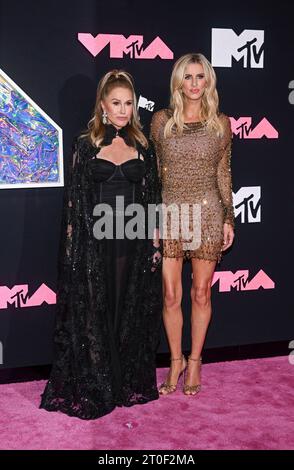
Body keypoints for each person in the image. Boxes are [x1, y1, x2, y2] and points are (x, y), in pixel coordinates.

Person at [40, 70, 163, 419]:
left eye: (128, 103)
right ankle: (98, 381)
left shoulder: (144, 146)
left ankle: (123, 379)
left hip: (134, 240)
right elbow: (74, 202)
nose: (123, 110)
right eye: (116, 103)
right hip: (96, 241)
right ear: (103, 106)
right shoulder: (85, 144)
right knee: (97, 307)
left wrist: (155, 240)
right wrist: (73, 248)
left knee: (128, 308)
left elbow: (153, 197)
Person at [150, 53, 235, 396]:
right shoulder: (161, 122)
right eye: (188, 77)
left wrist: (228, 217)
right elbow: (154, 176)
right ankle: (175, 360)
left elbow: (223, 173)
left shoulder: (221, 124)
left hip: (208, 212)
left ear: (208, 81)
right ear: (178, 82)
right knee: (171, 295)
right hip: (171, 213)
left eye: (201, 76)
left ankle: (195, 360)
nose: (195, 83)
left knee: (200, 292)